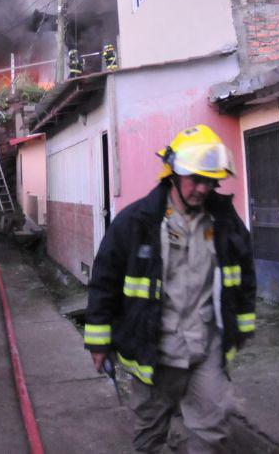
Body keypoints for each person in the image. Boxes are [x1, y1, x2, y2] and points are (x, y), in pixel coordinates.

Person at [84, 126, 256, 453]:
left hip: (205, 347)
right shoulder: (136, 221)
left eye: (211, 181)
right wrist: (98, 341)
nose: (203, 188)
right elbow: (104, 280)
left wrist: (241, 327)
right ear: (173, 174)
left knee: (212, 430)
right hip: (154, 350)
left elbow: (244, 276)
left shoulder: (225, 221)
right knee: (150, 432)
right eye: (196, 179)